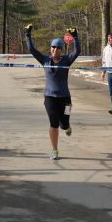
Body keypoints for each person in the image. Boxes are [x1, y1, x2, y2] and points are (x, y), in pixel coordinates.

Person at [24, 24, 80, 160]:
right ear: (50, 48)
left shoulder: (66, 60)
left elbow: (77, 51)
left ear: (61, 50)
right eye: (53, 47)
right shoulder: (44, 60)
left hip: (65, 98)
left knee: (64, 123)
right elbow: (31, 49)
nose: (55, 50)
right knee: (54, 123)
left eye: (58, 48)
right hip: (50, 97)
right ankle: (54, 150)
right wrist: (27, 34)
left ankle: (66, 126)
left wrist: (75, 37)